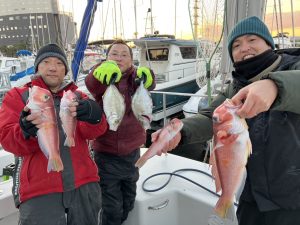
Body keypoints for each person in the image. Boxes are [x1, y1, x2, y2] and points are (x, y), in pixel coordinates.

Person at [151, 16, 300, 225]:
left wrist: (276, 86)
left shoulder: (293, 67)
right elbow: (210, 116)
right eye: (236, 45)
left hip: (294, 201)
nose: (244, 48)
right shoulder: (236, 86)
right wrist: (181, 131)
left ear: (269, 44)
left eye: (252, 40)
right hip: (254, 197)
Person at [0, 43, 108, 225]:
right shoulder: (18, 96)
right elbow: (7, 139)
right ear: (37, 67)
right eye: (46, 62)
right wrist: (25, 131)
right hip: (39, 191)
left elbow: (94, 132)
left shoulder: (77, 96)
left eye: (59, 63)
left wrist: (95, 117)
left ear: (65, 69)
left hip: (84, 184)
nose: (52, 67)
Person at [85, 39, 156, 225]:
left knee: (129, 200)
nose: (119, 58)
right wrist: (98, 72)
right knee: (111, 207)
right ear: (107, 58)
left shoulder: (135, 78)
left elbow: (151, 83)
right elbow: (91, 83)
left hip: (132, 153)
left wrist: (149, 76)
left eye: (124, 54)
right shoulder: (102, 78)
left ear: (131, 60)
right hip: (106, 155)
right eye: (114, 54)